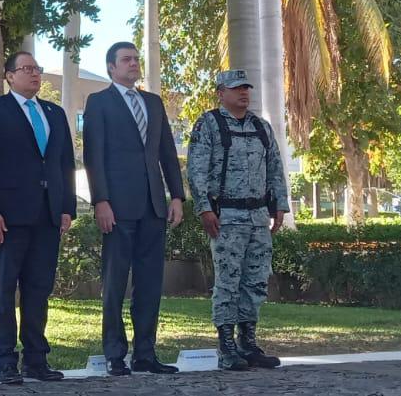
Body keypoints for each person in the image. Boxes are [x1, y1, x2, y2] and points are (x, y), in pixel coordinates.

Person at [0, 51, 76, 385]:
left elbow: (65, 164)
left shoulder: (54, 113)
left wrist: (66, 207)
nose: (34, 74)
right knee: (3, 289)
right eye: (26, 69)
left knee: (38, 289)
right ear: (10, 76)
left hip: (47, 214)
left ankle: (36, 359)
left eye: (37, 69)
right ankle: (5, 359)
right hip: (8, 216)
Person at [81, 41, 185, 376]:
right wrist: (101, 201)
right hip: (117, 207)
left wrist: (177, 197)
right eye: (126, 59)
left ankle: (145, 354)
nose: (133, 64)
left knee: (150, 285)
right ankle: (115, 354)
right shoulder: (98, 102)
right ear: (111, 67)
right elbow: (93, 155)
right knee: (114, 285)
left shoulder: (153, 103)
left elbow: (167, 153)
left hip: (153, 206)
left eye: (136, 59)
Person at [185, 69, 289, 371]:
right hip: (226, 217)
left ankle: (248, 342)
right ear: (221, 93)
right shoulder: (209, 124)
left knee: (256, 281)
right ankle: (226, 346)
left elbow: (275, 167)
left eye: (246, 88)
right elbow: (196, 170)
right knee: (228, 281)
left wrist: (279, 205)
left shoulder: (261, 127)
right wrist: (204, 209)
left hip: (258, 217)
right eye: (236, 88)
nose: (244, 93)